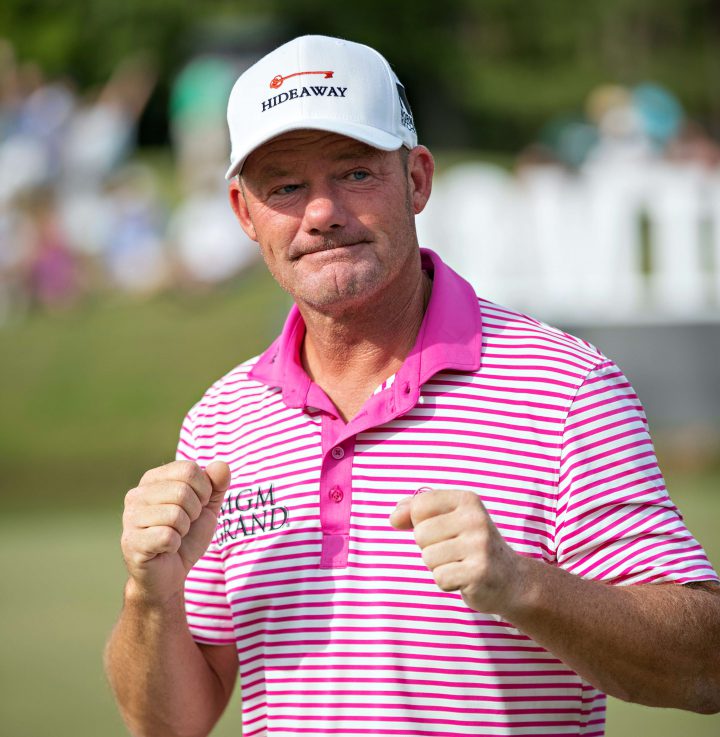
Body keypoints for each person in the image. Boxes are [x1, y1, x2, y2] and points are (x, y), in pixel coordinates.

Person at [105, 35, 720, 737]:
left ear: (417, 179)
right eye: (284, 186)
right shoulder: (222, 420)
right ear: (245, 214)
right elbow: (168, 724)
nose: (321, 212)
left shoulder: (566, 386)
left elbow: (705, 664)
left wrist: (525, 586)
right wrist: (149, 597)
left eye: (356, 173)